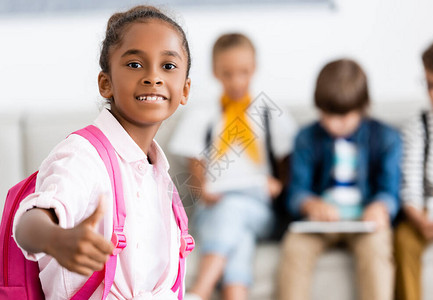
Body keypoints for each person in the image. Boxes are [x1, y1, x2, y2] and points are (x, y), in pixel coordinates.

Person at [13, 5, 192, 299]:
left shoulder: (159, 175)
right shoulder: (83, 156)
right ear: (105, 83)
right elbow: (28, 224)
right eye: (134, 64)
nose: (153, 77)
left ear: (184, 90)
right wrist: (56, 239)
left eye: (168, 66)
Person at [170, 33, 297, 300]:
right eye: (228, 73)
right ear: (216, 72)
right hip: (214, 206)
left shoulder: (268, 111)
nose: (237, 81)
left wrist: (280, 184)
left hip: (259, 206)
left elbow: (289, 156)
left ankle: (199, 291)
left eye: (244, 72)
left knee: (235, 211)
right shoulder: (203, 114)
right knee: (239, 236)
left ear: (254, 68)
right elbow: (195, 160)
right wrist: (202, 188)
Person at [278, 59, 401, 300]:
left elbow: (391, 191)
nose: (335, 124)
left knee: (377, 248)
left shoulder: (386, 138)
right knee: (295, 247)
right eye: (327, 115)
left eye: (343, 117)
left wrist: (380, 207)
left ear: (363, 108)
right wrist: (310, 204)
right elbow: (296, 192)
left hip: (365, 223)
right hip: (319, 224)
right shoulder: (305, 137)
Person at [394, 37, 433, 300]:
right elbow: (410, 186)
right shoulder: (417, 126)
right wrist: (420, 219)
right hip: (427, 211)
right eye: (429, 85)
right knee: (404, 240)